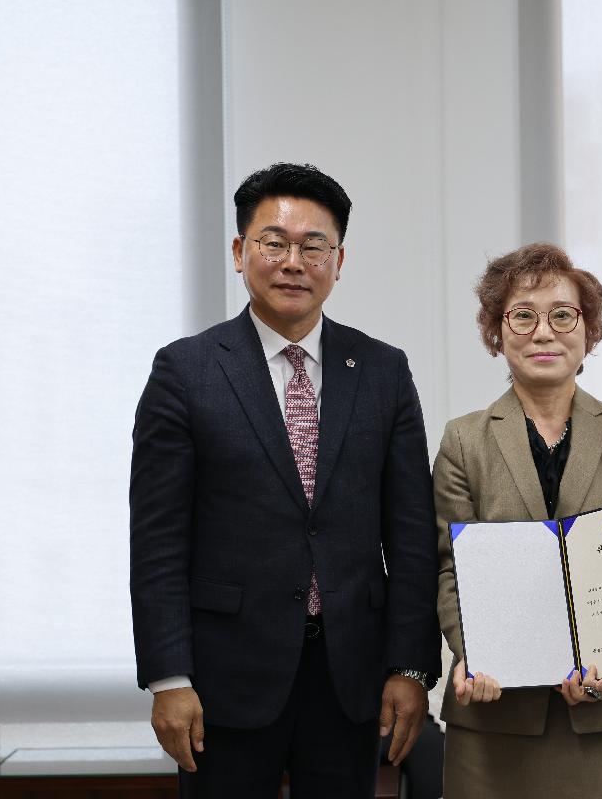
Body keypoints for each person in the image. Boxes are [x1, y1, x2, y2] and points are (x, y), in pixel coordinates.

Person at [130, 163, 441, 798]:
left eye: (313, 246)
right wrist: (168, 678)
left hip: (350, 676)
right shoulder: (185, 372)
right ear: (240, 252)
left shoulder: (382, 370)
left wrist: (411, 666)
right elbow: (158, 541)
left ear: (339, 260)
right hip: (223, 678)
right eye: (274, 242)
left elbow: (412, 536)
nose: (293, 262)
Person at [434, 242, 602, 798]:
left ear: (589, 331)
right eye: (523, 316)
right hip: (497, 714)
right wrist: (475, 650)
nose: (543, 333)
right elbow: (448, 568)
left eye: (563, 315)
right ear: (496, 331)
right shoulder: (463, 441)